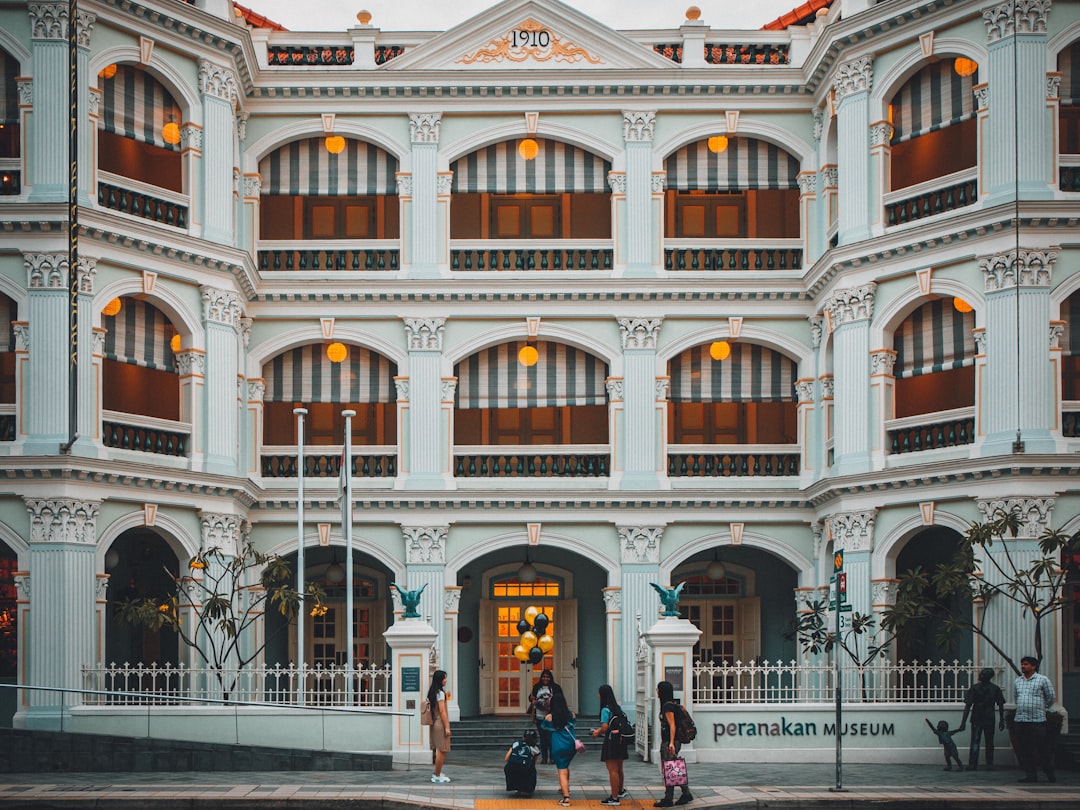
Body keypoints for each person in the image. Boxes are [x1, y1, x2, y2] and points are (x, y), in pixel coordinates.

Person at [1013, 655, 1057, 783]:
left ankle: (1049, 773)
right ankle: (1031, 775)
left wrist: (1043, 708)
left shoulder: (1042, 680)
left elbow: (1051, 697)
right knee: (1025, 749)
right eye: (1022, 664)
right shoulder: (1018, 681)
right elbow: (1016, 697)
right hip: (1021, 720)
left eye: (1026, 664)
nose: (1023, 666)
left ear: (1033, 666)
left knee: (1041, 749)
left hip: (1037, 721)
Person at [655, 680, 693, 807]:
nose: (657, 692)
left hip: (670, 742)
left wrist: (671, 743)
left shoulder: (667, 706)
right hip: (673, 741)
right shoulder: (673, 704)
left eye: (658, 689)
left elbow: (672, 725)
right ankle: (686, 793)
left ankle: (668, 798)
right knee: (673, 768)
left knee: (669, 768)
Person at [960, 667, 1005, 771]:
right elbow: (967, 706)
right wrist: (963, 722)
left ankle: (989, 763)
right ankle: (973, 763)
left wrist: (1002, 720)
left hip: (988, 717)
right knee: (975, 741)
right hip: (977, 717)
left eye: (983, 674)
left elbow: (1001, 705)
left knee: (989, 742)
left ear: (989, 677)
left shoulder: (995, 689)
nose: (981, 675)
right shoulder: (975, 688)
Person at [540, 684, 578, 807]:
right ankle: (566, 787)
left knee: (561, 770)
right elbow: (573, 723)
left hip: (558, 745)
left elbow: (543, 727)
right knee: (566, 766)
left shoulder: (550, 717)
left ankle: (566, 797)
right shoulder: (571, 715)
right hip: (571, 744)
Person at [591, 683, 629, 806]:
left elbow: (605, 726)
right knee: (619, 768)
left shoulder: (605, 709)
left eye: (598, 693)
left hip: (611, 741)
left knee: (612, 770)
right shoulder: (617, 707)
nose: (597, 695)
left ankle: (614, 798)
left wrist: (597, 732)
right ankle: (620, 791)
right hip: (621, 740)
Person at [427, 669, 452, 784]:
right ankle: (437, 775)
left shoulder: (433, 692)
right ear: (440, 680)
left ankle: (437, 772)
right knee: (442, 750)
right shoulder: (440, 693)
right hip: (440, 724)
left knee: (440, 750)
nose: (446, 680)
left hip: (434, 723)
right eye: (444, 678)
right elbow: (442, 711)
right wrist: (447, 727)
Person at [528, 668, 556, 764]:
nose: (546, 679)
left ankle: (552, 757)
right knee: (543, 738)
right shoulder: (537, 687)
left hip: (551, 717)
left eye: (548, 677)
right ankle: (544, 757)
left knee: (551, 738)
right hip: (540, 716)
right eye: (544, 677)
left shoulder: (555, 687)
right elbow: (530, 697)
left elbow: (559, 699)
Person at [504, 728, 540, 797]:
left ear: (523, 737)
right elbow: (534, 763)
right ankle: (526, 791)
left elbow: (506, 758)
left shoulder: (516, 744)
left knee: (515, 769)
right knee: (530, 769)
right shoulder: (534, 748)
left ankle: (518, 789)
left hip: (509, 768)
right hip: (524, 769)